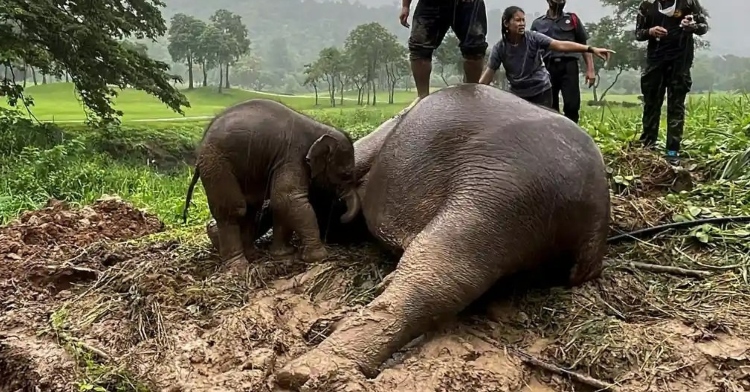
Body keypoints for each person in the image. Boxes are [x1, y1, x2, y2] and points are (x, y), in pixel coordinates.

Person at [478, 6, 613, 109]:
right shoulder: (500, 48)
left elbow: (560, 45)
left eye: (523, 20)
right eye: (517, 20)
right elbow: (489, 74)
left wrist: (590, 49)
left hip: (541, 90)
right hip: (517, 94)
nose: (522, 24)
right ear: (506, 24)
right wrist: (475, 92)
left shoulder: (533, 38)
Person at [635, 0, 708, 165]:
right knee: (651, 105)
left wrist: (692, 26)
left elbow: (703, 27)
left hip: (680, 63)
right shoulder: (647, 5)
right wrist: (650, 31)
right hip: (655, 62)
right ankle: (648, 148)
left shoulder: (688, 3)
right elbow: (638, 34)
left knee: (676, 107)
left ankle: (672, 151)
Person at [400, 0, 488, 101]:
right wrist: (405, 6)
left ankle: (471, 95)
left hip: (468, 3)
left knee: (475, 48)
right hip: (430, 3)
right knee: (419, 48)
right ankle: (422, 98)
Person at [530, 0, 595, 123]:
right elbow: (532, 49)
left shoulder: (572, 19)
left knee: (572, 105)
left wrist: (590, 70)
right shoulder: (538, 23)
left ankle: (573, 135)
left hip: (569, 66)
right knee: (549, 106)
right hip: (547, 67)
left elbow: (584, 45)